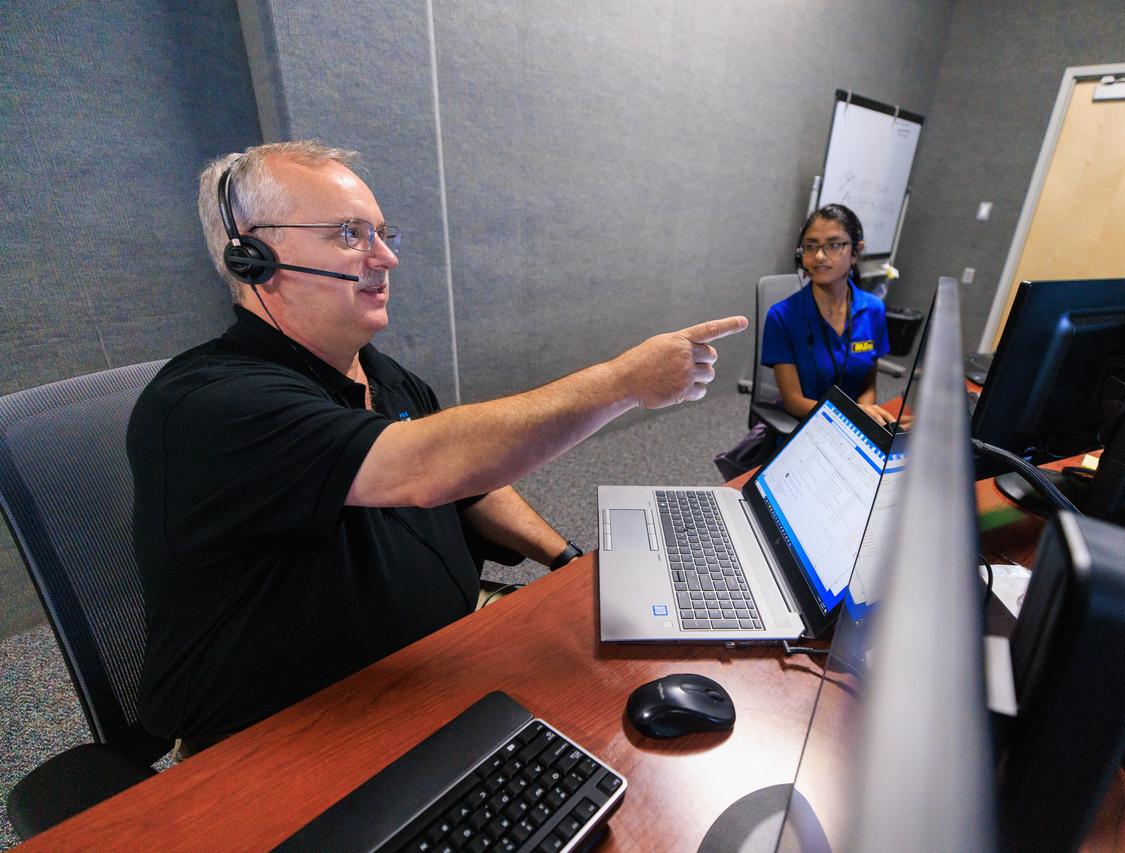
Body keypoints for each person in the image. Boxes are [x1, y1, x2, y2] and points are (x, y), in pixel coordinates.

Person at [127, 140, 746, 750]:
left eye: (381, 233)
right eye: (348, 235)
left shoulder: (375, 371)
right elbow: (425, 467)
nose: (385, 259)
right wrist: (622, 382)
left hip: (430, 667)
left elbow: (468, 481)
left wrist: (565, 558)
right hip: (291, 730)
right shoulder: (213, 404)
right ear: (253, 258)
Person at [760, 204, 893, 424]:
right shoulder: (782, 316)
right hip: (805, 426)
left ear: (855, 252)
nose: (820, 256)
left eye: (834, 245)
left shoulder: (874, 309)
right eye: (810, 246)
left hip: (857, 426)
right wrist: (852, 415)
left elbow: (868, 385)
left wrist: (865, 415)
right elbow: (793, 401)